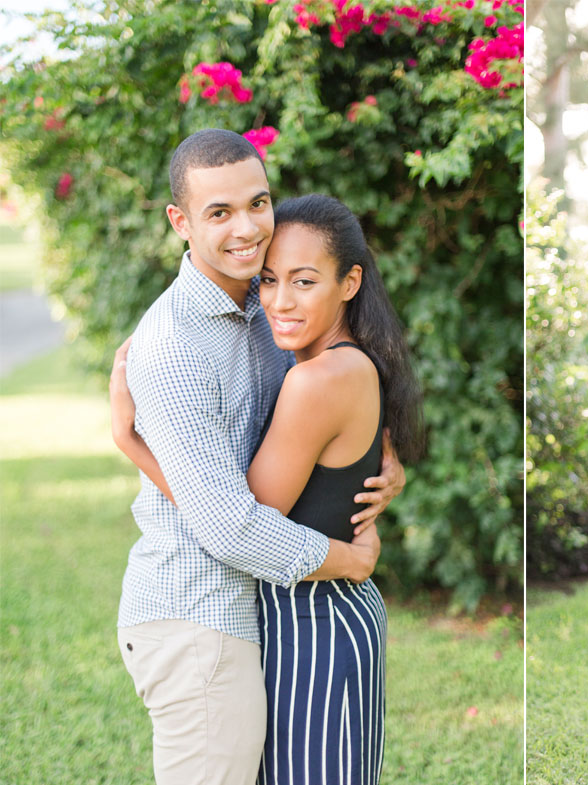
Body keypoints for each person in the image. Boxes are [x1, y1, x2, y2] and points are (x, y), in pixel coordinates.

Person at [109, 129, 407, 785]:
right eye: (219, 212)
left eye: (257, 203)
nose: (247, 228)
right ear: (180, 222)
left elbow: (345, 409)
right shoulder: (173, 345)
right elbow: (230, 524)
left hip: (267, 612)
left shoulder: (265, 306)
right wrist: (348, 556)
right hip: (198, 613)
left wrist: (384, 469)